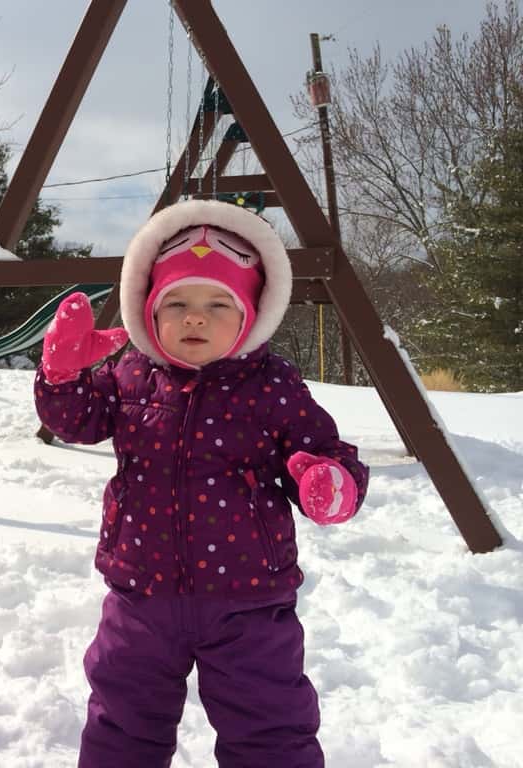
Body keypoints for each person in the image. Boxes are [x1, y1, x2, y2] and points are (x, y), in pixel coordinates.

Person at [34, 199, 369, 768]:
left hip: (248, 600)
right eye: (177, 303)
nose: (195, 318)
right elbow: (78, 421)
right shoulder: (130, 375)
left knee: (269, 725)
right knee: (122, 721)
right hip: (141, 594)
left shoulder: (272, 386)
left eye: (218, 304)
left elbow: (323, 449)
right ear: (149, 310)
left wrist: (328, 479)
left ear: (251, 315)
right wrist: (62, 377)